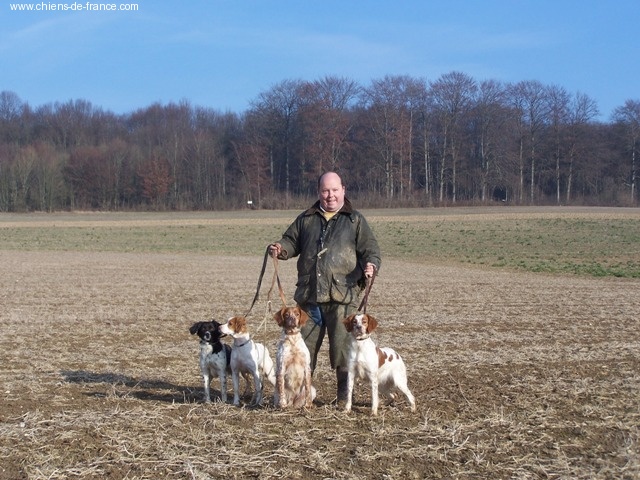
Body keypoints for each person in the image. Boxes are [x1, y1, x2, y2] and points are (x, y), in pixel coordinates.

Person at [268, 171, 381, 404]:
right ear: (319, 192)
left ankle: (343, 396)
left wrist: (371, 264)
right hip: (310, 297)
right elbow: (291, 240)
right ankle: (299, 395)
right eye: (325, 190)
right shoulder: (306, 219)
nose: (330, 195)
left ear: (343, 190)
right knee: (303, 349)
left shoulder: (355, 220)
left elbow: (370, 249)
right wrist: (281, 248)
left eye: (334, 190)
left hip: (343, 296)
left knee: (342, 349)